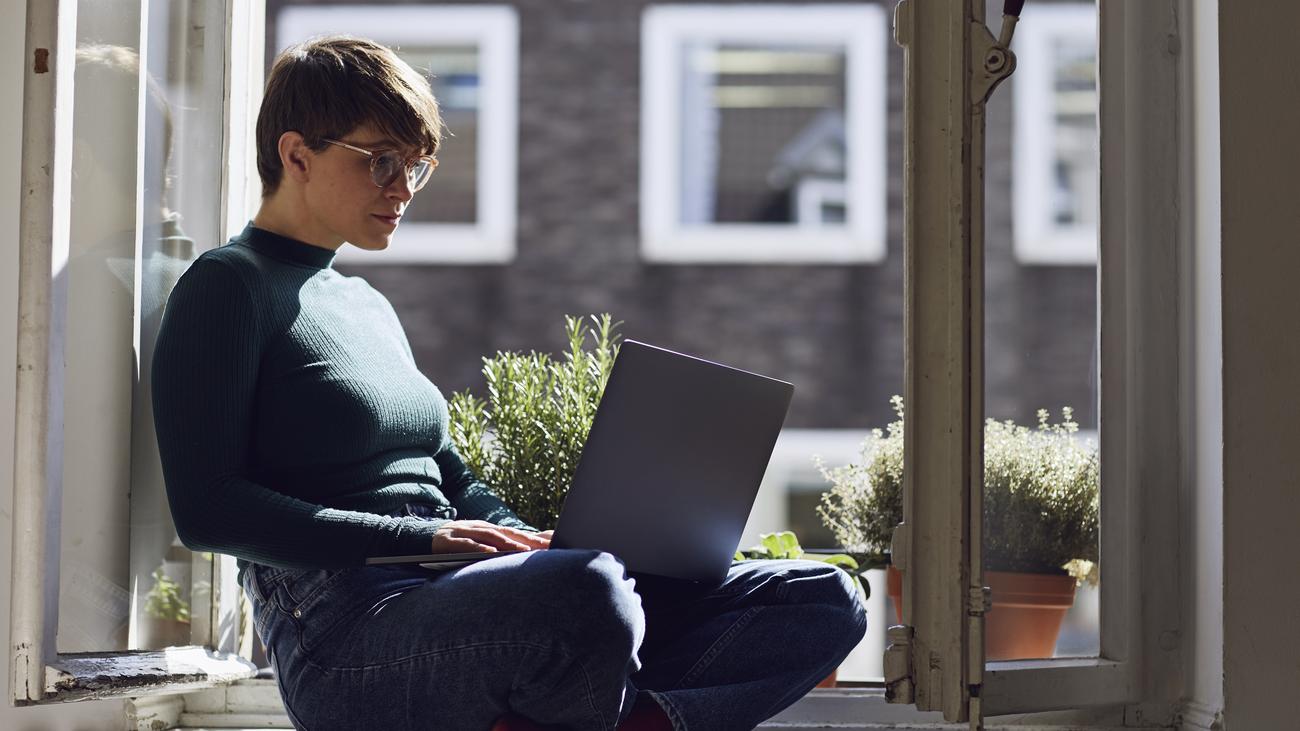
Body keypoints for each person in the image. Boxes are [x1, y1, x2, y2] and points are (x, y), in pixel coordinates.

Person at [151, 36, 866, 731]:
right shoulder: (227, 288)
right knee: (586, 591)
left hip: (466, 603)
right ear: (296, 153)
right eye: (382, 162)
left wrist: (536, 539)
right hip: (346, 635)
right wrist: (434, 539)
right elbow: (210, 510)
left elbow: (450, 474)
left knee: (822, 594)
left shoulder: (365, 302)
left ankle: (634, 719)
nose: (403, 189)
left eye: (417, 167)